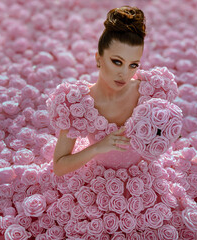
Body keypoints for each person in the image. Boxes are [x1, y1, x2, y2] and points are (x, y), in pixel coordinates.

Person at [51, 6, 146, 176]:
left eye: (133, 65)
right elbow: (59, 166)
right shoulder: (76, 102)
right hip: (98, 179)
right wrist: (98, 148)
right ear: (98, 58)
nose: (124, 74)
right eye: (117, 61)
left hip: (144, 178)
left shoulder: (146, 91)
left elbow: (169, 134)